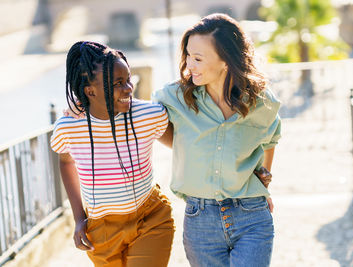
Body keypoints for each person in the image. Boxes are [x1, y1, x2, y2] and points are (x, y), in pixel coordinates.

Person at [152, 13, 281, 267]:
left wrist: (265, 174)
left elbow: (271, 138)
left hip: (251, 215)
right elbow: (142, 117)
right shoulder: (176, 97)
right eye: (188, 55)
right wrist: (80, 109)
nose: (190, 65)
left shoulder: (261, 102)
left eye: (198, 58)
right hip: (200, 222)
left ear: (226, 60)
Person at [50, 41, 174, 267]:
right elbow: (66, 163)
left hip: (150, 218)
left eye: (128, 79)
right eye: (118, 83)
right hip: (101, 231)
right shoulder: (68, 128)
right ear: (90, 91)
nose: (128, 88)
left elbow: (183, 144)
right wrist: (79, 219)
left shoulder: (149, 115)